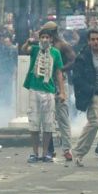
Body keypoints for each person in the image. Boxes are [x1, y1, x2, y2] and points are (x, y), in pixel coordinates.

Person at [21, 27, 66, 163]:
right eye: (43, 37)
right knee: (34, 123)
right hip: (34, 90)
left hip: (49, 91)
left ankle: (46, 153)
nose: (45, 39)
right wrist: (28, 42)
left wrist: (62, 92)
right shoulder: (35, 49)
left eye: (47, 37)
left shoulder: (55, 53)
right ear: (40, 39)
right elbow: (24, 49)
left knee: (48, 124)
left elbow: (59, 73)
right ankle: (35, 153)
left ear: (51, 39)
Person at [71, 29, 98, 167]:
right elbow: (77, 79)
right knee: (95, 122)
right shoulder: (83, 56)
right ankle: (78, 152)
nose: (95, 42)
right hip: (94, 93)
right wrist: (92, 89)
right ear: (89, 41)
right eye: (92, 39)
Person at [42, 21, 76, 161]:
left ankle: (67, 149)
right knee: (47, 117)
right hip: (46, 83)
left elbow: (73, 60)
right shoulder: (42, 46)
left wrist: (61, 69)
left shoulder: (62, 45)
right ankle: (49, 150)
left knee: (62, 116)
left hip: (61, 82)